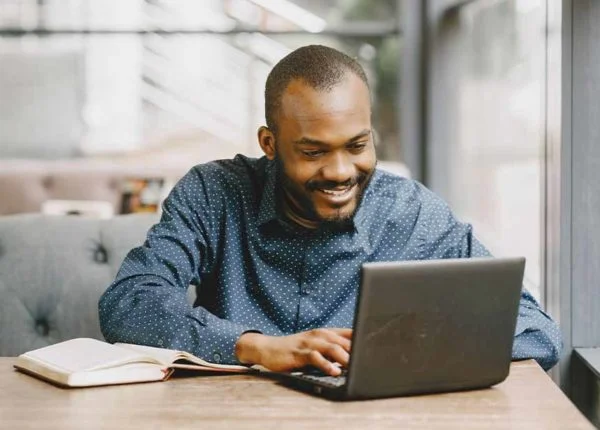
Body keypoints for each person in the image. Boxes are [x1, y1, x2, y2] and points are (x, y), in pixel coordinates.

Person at [98, 45, 562, 376]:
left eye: (357, 145)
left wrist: (396, 351)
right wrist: (255, 347)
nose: (342, 171)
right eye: (314, 152)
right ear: (270, 144)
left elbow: (537, 333)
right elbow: (128, 303)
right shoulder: (213, 192)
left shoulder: (412, 213)